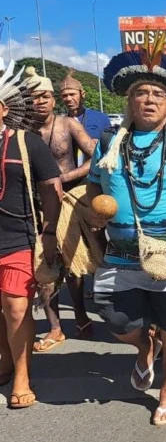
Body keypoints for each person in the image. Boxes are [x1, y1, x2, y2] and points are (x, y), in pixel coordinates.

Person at [89, 48, 166, 426]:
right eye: (142, 92)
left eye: (158, 94)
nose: (149, 100)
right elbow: (95, 189)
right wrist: (96, 211)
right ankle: (145, 347)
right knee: (117, 321)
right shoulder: (109, 141)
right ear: (129, 100)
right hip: (119, 252)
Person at [0, 62, 63, 409]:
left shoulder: (26, 142)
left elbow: (51, 187)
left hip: (18, 237)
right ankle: (7, 361)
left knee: (15, 305)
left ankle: (22, 375)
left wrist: (51, 231)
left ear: (4, 109)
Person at [23, 68, 98, 350]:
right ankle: (55, 327)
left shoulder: (69, 125)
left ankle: (79, 313)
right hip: (35, 204)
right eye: (34, 98)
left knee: (73, 266)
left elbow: (95, 159)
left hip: (67, 200)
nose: (40, 102)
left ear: (53, 99)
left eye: (44, 96)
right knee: (43, 265)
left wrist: (64, 178)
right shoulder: (23, 131)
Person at [59, 69, 112, 142]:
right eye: (64, 95)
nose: (68, 99)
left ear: (82, 94)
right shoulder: (59, 123)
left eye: (72, 94)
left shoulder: (100, 118)